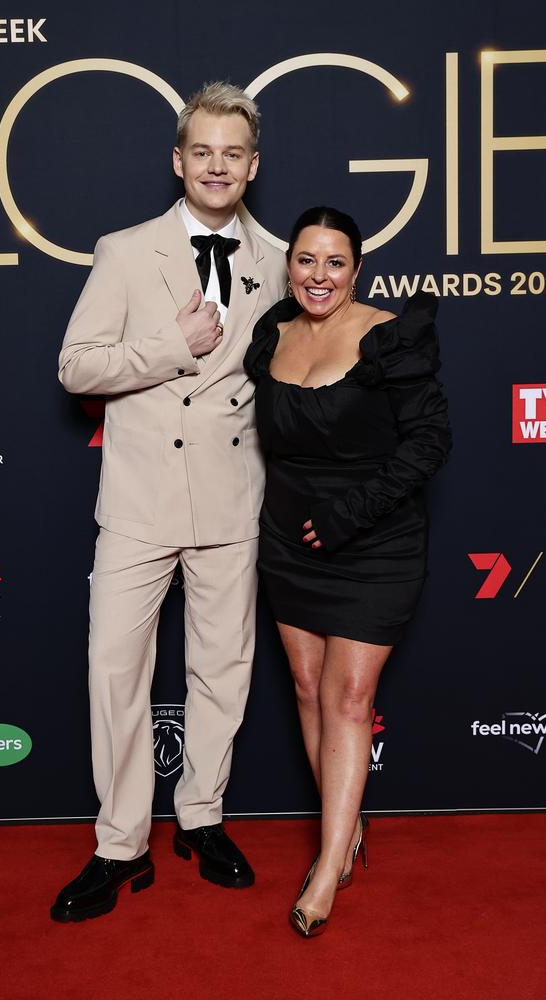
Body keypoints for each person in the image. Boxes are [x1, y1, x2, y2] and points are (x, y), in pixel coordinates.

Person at [51, 82, 287, 922]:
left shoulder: (281, 259)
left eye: (233, 154)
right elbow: (76, 367)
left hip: (232, 500)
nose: (216, 166)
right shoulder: (124, 251)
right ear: (178, 161)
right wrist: (167, 347)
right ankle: (120, 844)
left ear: (252, 166)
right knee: (115, 670)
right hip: (139, 502)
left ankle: (202, 817)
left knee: (222, 671)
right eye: (202, 152)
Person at [243, 206, 452, 937]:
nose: (319, 276)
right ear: (290, 265)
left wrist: (347, 515)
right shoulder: (272, 333)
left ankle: (328, 865)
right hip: (288, 543)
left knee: (350, 698)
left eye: (335, 262)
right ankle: (347, 828)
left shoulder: (391, 336)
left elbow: (429, 442)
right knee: (307, 688)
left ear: (357, 269)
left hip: (374, 543)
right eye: (306, 260)